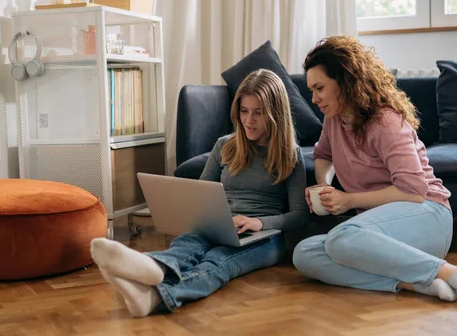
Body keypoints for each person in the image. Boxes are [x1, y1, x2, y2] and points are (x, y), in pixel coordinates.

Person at [91, 69, 309, 317]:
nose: (249, 120)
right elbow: (201, 193)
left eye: (258, 113)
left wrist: (259, 222)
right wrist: (204, 218)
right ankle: (153, 266)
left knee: (218, 262)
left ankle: (155, 293)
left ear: (275, 114)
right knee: (187, 242)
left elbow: (300, 215)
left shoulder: (290, 154)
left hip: (265, 237)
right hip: (220, 224)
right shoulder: (225, 146)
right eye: (244, 110)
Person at [292, 36, 457, 310]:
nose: (314, 99)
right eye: (311, 90)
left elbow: (414, 192)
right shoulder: (333, 120)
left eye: (320, 88)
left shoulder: (385, 121)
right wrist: (325, 186)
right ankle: (415, 282)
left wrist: (348, 200)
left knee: (340, 238)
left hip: (427, 217)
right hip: (375, 235)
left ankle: (455, 274)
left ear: (345, 81)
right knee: (304, 254)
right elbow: (323, 154)